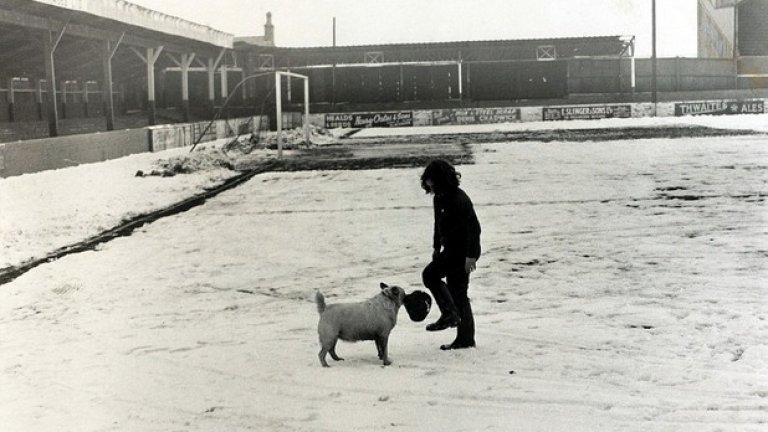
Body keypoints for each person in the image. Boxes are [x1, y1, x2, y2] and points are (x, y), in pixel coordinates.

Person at [420, 159, 481, 350]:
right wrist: (436, 247)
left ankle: (463, 335)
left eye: (432, 182)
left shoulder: (459, 199)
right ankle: (450, 315)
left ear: (441, 180)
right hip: (450, 250)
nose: (429, 186)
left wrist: (471, 256)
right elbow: (438, 225)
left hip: (463, 252)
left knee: (457, 292)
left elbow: (474, 229)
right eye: (428, 182)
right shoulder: (439, 197)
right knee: (431, 276)